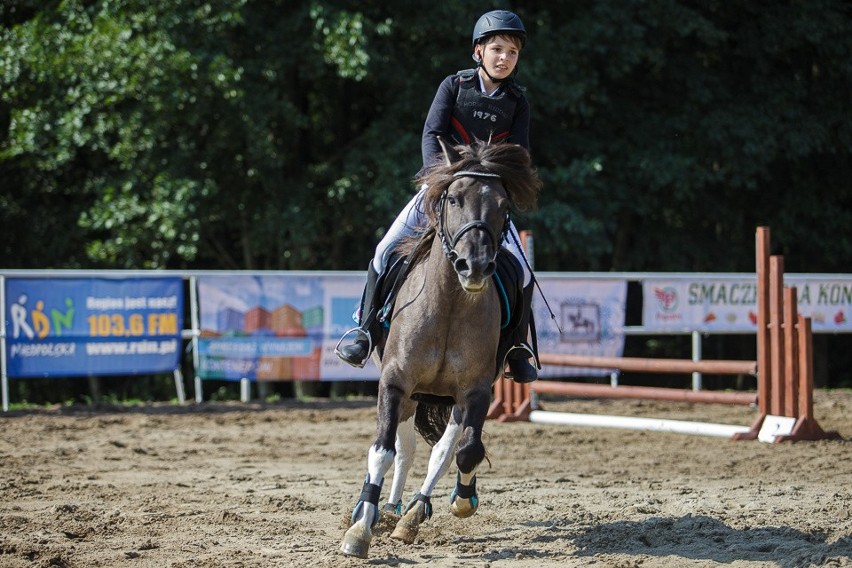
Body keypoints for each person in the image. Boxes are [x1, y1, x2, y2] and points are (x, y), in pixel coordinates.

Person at [335, 9, 538, 382]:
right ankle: (363, 331)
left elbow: (519, 154)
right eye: (497, 49)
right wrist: (437, 180)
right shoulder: (454, 85)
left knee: (523, 271)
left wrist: (500, 190)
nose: (505, 58)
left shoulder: (517, 101)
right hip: (442, 189)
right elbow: (432, 134)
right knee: (384, 249)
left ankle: (516, 348)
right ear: (478, 51)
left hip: (486, 201)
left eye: (512, 52)